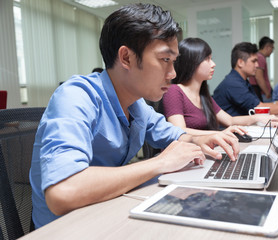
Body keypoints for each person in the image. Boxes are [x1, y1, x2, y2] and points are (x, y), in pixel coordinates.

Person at [29, 4, 240, 229]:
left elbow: (175, 135)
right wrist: (160, 163)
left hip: (108, 212)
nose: (173, 74)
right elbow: (63, 191)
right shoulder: (76, 96)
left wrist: (200, 139)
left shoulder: (137, 105)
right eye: (165, 60)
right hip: (66, 228)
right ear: (126, 57)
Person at [162, 38, 278, 136]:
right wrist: (219, 134)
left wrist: (258, 118)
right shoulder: (174, 91)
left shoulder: (203, 95)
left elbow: (230, 120)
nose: (213, 64)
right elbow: (180, 131)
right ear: (192, 63)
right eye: (207, 59)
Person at [213, 42, 278, 116]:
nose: (257, 65)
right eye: (254, 61)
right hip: (227, 127)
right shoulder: (233, 84)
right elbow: (260, 109)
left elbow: (258, 104)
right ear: (240, 62)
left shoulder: (243, 82)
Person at [248, 36, 274, 102]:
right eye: (272, 48)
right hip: (263, 93)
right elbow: (259, 77)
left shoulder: (259, 56)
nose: (272, 51)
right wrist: (267, 92)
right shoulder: (260, 57)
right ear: (267, 47)